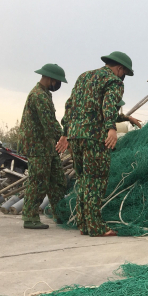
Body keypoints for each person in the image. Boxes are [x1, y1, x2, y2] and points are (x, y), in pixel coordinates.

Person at [57, 51, 133, 237]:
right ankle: (96, 227)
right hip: (94, 138)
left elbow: (70, 105)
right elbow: (108, 105)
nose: (123, 77)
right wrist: (111, 128)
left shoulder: (84, 77)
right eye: (124, 73)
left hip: (76, 137)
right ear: (119, 68)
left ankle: (84, 224)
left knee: (83, 180)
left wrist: (66, 133)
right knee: (96, 181)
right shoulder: (114, 81)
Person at [18, 63, 68, 229]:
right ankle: (30, 217)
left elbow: (51, 122)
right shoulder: (38, 95)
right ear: (51, 78)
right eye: (58, 81)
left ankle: (60, 213)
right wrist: (64, 138)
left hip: (47, 147)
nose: (58, 85)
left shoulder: (45, 94)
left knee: (58, 180)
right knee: (38, 181)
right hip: (37, 147)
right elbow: (49, 123)